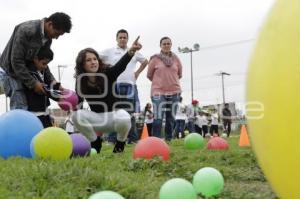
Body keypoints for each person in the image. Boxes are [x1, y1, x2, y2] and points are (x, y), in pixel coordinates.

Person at [72, 36, 142, 153]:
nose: (93, 62)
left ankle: (120, 144)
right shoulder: (81, 80)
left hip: (113, 118)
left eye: (95, 59)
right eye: (88, 60)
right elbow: (78, 102)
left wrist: (132, 50)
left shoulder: (107, 74)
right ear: (82, 64)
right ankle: (95, 142)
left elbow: (121, 65)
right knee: (76, 115)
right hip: (97, 119)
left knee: (124, 117)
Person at [0, 12, 72, 110]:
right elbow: (16, 61)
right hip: (11, 71)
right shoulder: (27, 30)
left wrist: (54, 83)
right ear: (50, 24)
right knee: (20, 104)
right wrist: (33, 83)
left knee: (32, 104)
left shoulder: (48, 39)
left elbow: (44, 62)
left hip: (26, 72)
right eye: (56, 33)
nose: (56, 37)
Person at [99, 29, 148, 144]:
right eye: (120, 37)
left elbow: (145, 61)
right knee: (114, 112)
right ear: (116, 39)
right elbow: (96, 58)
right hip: (115, 85)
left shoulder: (134, 51)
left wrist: (137, 73)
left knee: (129, 113)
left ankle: (132, 139)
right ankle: (112, 139)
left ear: (127, 39)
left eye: (124, 37)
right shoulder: (110, 51)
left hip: (130, 85)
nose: (122, 39)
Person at [147, 36, 182, 141]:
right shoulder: (155, 59)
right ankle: (155, 141)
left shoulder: (176, 59)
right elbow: (149, 75)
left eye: (168, 43)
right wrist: (160, 82)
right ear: (160, 46)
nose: (166, 45)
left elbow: (179, 74)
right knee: (158, 117)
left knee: (170, 118)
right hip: (158, 92)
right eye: (164, 44)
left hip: (174, 92)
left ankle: (168, 139)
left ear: (171, 45)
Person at [22, 45, 60, 128]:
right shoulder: (29, 73)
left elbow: (50, 85)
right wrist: (60, 98)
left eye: (47, 64)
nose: (45, 66)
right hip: (34, 112)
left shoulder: (43, 72)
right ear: (35, 59)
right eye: (44, 63)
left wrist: (59, 88)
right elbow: (45, 90)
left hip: (45, 111)